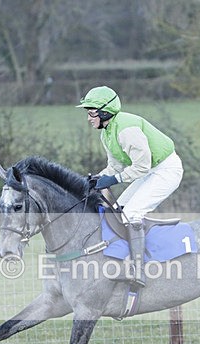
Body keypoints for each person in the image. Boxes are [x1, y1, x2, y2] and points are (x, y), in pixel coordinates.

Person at [76, 86, 183, 287]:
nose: (89, 118)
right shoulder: (106, 132)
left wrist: (114, 180)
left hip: (166, 170)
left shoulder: (126, 129)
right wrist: (97, 179)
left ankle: (138, 269)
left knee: (132, 213)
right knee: (118, 211)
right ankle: (121, 260)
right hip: (150, 171)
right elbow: (115, 166)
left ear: (104, 112)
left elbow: (141, 167)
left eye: (91, 113)